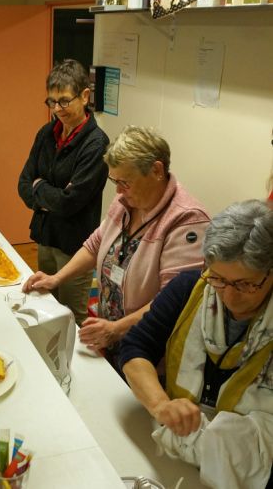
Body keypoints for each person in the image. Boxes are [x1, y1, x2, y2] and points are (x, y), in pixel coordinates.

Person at [23, 126, 210, 369]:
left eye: (125, 182)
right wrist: (56, 278)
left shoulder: (187, 221)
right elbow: (95, 245)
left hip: (149, 349)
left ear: (156, 170)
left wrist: (117, 329)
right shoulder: (126, 201)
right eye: (114, 181)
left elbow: (172, 301)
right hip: (113, 335)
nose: (119, 191)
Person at [119, 200, 273, 489]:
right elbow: (135, 347)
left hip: (252, 470)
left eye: (245, 284)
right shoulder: (191, 287)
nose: (229, 297)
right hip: (178, 448)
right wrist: (161, 405)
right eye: (219, 279)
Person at [18, 59, 110, 325]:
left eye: (64, 101)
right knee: (47, 305)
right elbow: (23, 184)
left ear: (85, 96)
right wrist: (49, 194)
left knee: (72, 315)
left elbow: (70, 203)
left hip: (75, 246)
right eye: (52, 101)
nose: (57, 109)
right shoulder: (46, 133)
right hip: (46, 236)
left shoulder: (96, 144)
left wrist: (40, 187)